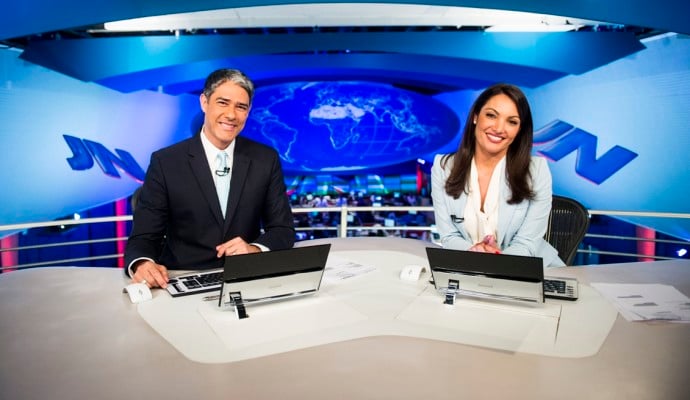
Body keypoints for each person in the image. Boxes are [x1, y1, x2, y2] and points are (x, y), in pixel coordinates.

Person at [125, 68, 295, 288]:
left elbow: (283, 230)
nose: (232, 115)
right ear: (204, 102)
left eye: (241, 107)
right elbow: (143, 237)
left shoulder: (265, 159)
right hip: (184, 277)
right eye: (223, 103)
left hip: (245, 277)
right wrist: (142, 263)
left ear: (248, 111)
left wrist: (254, 249)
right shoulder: (166, 162)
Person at [431, 83, 563, 267]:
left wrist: (494, 263)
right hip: (469, 268)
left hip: (529, 269)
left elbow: (527, 243)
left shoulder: (537, 170)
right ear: (476, 116)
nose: (499, 128)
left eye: (512, 121)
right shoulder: (443, 167)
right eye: (491, 115)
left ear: (519, 130)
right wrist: (474, 253)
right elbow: (449, 236)